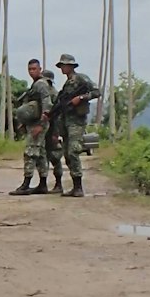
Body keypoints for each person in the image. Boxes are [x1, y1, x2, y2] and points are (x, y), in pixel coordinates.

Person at [50, 54, 100, 197]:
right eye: (61, 66)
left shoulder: (81, 79)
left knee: (73, 151)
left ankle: (78, 187)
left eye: (64, 65)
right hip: (66, 121)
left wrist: (82, 97)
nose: (62, 68)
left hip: (77, 121)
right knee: (67, 154)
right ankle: (74, 186)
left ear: (71, 66)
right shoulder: (67, 85)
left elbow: (97, 92)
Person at [9, 59, 54, 195]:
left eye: (34, 69)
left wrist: (41, 124)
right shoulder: (35, 85)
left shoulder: (41, 84)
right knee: (40, 154)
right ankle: (43, 184)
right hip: (34, 122)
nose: (31, 71)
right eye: (30, 69)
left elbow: (47, 103)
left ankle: (26, 184)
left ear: (40, 69)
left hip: (39, 123)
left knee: (30, 152)